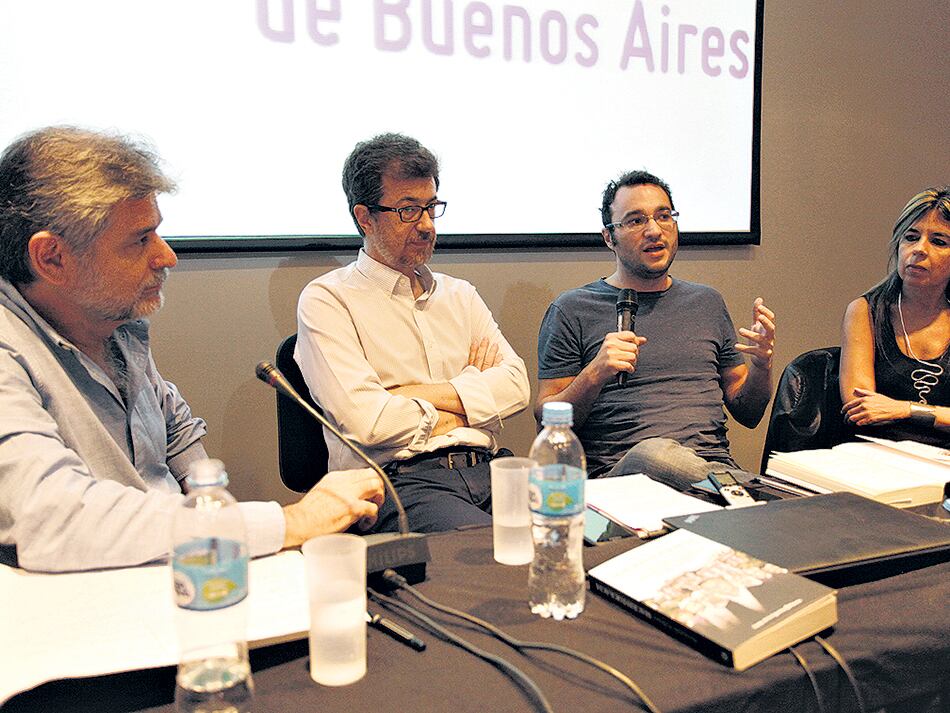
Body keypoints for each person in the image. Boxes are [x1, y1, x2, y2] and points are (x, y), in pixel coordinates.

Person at [0, 126, 384, 572]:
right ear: (52, 258)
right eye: (140, 240)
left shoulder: (116, 326)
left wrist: (220, 535)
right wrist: (288, 522)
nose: (166, 256)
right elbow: (54, 519)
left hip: (176, 576)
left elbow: (177, 432)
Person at [294, 133, 530, 533]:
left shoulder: (460, 295)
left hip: (490, 468)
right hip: (400, 483)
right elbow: (369, 423)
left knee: (581, 533)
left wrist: (409, 395)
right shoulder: (328, 300)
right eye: (407, 210)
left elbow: (517, 385)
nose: (425, 225)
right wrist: (473, 390)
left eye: (431, 207)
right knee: (492, 553)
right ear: (364, 216)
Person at [536, 170, 776, 489]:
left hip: (712, 468)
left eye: (664, 216)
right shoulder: (572, 309)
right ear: (609, 237)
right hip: (620, 478)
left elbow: (749, 412)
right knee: (654, 453)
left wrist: (762, 366)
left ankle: (739, 495)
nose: (654, 230)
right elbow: (546, 423)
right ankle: (754, 498)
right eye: (636, 220)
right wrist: (594, 373)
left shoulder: (707, 302)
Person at [840, 186, 950, 447]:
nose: (919, 249)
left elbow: (891, 410)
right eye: (910, 237)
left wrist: (905, 410)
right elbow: (861, 407)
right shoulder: (865, 311)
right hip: (880, 454)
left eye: (938, 241)